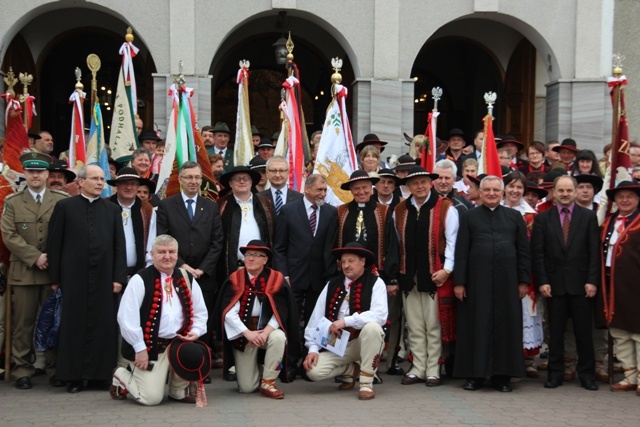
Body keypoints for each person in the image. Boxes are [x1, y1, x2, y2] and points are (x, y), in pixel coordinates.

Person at [46, 164, 127, 393]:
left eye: (102, 179)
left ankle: (100, 376)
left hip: (104, 278)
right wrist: (55, 279)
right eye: (95, 179)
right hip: (73, 277)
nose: (100, 183)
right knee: (74, 325)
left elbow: (119, 246)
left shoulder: (111, 210)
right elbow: (55, 244)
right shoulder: (65, 207)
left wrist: (118, 277)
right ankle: (73, 377)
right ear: (80, 182)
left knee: (104, 325)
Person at [453, 175, 531, 392]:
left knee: (506, 328)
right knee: (476, 327)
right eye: (487, 189)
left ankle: (502, 377)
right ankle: (474, 376)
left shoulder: (515, 217)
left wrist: (524, 281)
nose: (491, 193)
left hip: (508, 283)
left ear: (502, 192)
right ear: (480, 192)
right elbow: (462, 251)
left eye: (496, 190)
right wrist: (460, 282)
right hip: (477, 283)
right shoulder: (470, 217)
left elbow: (524, 252)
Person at [111, 235, 209, 405]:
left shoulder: (186, 278)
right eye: (161, 252)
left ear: (177, 255)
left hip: (178, 344)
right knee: (151, 399)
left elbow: (201, 312)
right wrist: (139, 348)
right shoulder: (140, 279)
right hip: (150, 347)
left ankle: (177, 389)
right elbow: (126, 317)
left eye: (172, 252)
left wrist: (195, 332)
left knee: (190, 355)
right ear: (152, 254)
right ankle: (121, 375)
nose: (167, 256)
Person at [1, 153, 68, 390]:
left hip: (52, 272)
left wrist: (53, 258)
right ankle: (22, 369)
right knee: (23, 324)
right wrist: (35, 256)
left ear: (48, 174)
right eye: (31, 172)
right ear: (25, 174)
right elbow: (9, 235)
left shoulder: (61, 200)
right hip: (25, 272)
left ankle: (54, 367)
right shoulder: (13, 201)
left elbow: (68, 233)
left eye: (40, 172)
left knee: (53, 322)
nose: (36, 176)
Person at [531, 175, 600, 391]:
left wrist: (592, 281)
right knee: (556, 334)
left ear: (576, 192)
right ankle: (555, 374)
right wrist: (542, 281)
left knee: (583, 333)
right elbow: (538, 254)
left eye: (569, 190)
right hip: (554, 285)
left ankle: (587, 375)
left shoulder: (588, 217)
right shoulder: (543, 219)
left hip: (581, 285)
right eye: (561, 190)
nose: (565, 194)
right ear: (555, 192)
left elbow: (593, 253)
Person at [393, 166, 458, 386]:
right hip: (408, 276)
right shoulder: (400, 209)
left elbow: (452, 243)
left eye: (423, 182)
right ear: (408, 186)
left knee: (433, 324)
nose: (419, 186)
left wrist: (447, 270)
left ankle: (433, 367)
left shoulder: (446, 207)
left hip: (434, 276)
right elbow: (398, 244)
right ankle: (418, 366)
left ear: (430, 183)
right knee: (414, 324)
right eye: (414, 183)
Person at [156, 161, 224, 371]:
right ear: (181, 180)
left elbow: (217, 241)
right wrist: (183, 265)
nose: (193, 181)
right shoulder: (167, 205)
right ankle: (177, 363)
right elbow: (163, 238)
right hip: (176, 273)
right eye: (189, 177)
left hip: (204, 276)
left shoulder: (211, 206)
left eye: (197, 177)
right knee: (180, 316)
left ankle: (201, 365)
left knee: (202, 319)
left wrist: (202, 269)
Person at [273, 174, 338, 382]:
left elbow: (330, 246)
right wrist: (284, 275)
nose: (322, 194)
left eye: (325, 190)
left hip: (319, 278)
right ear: (307, 189)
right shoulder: (288, 210)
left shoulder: (330, 212)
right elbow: (279, 247)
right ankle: (290, 365)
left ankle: (308, 364)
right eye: (319, 190)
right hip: (294, 277)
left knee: (315, 323)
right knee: (291, 322)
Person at [303, 242, 387, 400]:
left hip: (364, 342)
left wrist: (346, 321)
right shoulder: (331, 285)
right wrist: (312, 349)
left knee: (373, 328)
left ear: (362, 262)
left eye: (351, 261)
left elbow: (380, 315)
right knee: (313, 372)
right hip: (337, 344)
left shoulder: (376, 283)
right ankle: (350, 369)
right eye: (343, 262)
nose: (346, 265)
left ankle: (366, 383)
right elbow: (315, 320)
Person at [215, 240, 298, 398]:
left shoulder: (276, 279)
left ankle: (268, 382)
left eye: (255, 255)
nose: (250, 259)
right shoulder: (235, 279)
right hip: (243, 335)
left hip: (266, 332)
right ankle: (258, 369)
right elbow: (229, 313)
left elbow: (281, 311)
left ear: (265, 260)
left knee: (279, 337)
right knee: (247, 388)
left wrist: (265, 333)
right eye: (247, 255)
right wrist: (248, 333)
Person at [599, 181, 640, 393]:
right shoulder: (608, 222)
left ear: (638, 199)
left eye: (629, 196)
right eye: (620, 196)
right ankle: (629, 376)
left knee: (638, 332)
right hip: (612, 284)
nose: (624, 200)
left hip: (635, 285)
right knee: (619, 331)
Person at [501, 172, 544, 378]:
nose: (515, 191)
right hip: (500, 273)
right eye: (511, 186)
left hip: (523, 272)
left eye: (519, 187)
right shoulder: (495, 210)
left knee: (525, 313)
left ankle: (527, 360)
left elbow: (535, 249)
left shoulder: (532, 216)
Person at [106, 167, 156, 279]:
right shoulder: (105, 206)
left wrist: (147, 269)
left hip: (138, 272)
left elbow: (151, 241)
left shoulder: (147, 209)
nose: (129, 187)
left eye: (133, 184)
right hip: (107, 273)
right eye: (124, 183)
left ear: (138, 186)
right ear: (117, 185)